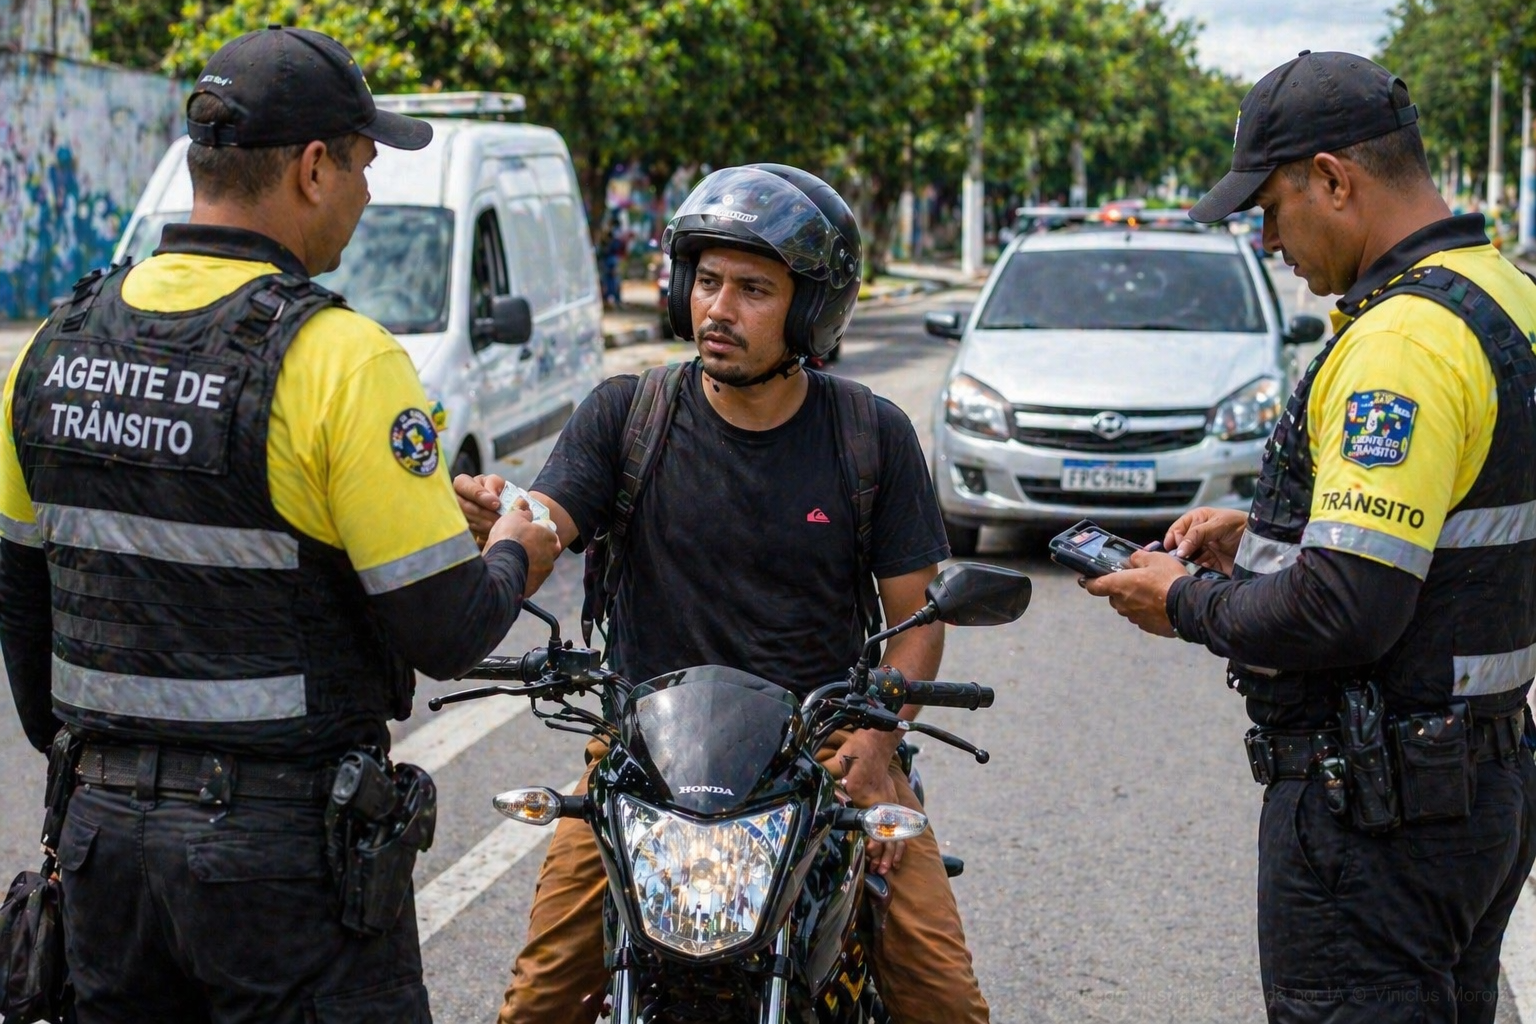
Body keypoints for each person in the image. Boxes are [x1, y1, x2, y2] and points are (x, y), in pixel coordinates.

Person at [0, 27, 560, 1023]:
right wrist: (522, 546)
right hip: (280, 866)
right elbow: (448, 630)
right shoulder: (341, 360)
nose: (369, 194)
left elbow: (30, 651)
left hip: (100, 849)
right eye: (363, 165)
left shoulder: (49, 350)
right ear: (312, 168)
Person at [455, 164, 991, 1022]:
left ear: (811, 311)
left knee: (943, 997)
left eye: (752, 289)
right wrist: (509, 522)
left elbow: (915, 620)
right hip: (644, 760)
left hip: (820, 754)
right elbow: (552, 518)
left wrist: (881, 734)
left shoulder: (869, 437)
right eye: (706, 282)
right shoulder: (629, 414)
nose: (719, 309)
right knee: (539, 999)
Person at [1082, 52, 1536, 1023]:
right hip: (1481, 783)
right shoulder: (1502, 294)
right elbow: (1456, 514)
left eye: (1270, 205)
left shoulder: (1400, 342)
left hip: (1376, 815)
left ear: (1334, 178)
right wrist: (1265, 534)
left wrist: (1183, 601)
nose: (1266, 235)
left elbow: (1345, 608)